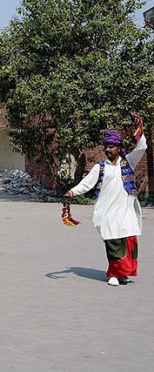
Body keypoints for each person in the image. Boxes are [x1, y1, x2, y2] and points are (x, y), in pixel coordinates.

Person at [66, 117, 147, 286]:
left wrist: (139, 131)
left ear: (119, 148)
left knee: (127, 241)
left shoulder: (129, 162)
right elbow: (86, 184)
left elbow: (142, 147)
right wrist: (71, 192)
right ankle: (113, 273)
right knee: (113, 242)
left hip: (126, 211)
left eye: (111, 146)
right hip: (107, 212)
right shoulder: (100, 167)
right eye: (106, 147)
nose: (107, 149)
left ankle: (122, 273)